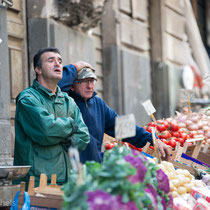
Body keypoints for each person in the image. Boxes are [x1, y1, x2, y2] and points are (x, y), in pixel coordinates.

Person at [58, 64, 170, 164]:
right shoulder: (64, 101)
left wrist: (153, 139)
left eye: (92, 81)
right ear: (72, 86)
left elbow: (122, 125)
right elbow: (56, 84)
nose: (90, 86)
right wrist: (76, 66)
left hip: (94, 167)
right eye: (84, 81)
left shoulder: (99, 104)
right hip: (70, 168)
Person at [13, 47, 90, 187]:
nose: (57, 64)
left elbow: (84, 137)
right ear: (38, 69)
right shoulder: (27, 99)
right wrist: (71, 125)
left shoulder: (68, 101)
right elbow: (46, 130)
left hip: (68, 182)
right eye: (51, 60)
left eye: (60, 61)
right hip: (37, 183)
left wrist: (60, 133)